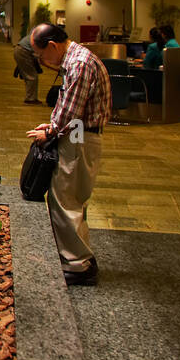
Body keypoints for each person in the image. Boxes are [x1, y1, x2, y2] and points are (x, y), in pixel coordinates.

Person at [26, 23, 112, 287]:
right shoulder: (78, 59)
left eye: (40, 55)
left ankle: (78, 265)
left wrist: (50, 132)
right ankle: (81, 256)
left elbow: (71, 113)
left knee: (66, 200)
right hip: (80, 135)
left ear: (52, 46)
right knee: (73, 198)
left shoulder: (79, 65)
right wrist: (52, 125)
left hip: (79, 139)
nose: (42, 61)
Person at [13, 31, 43, 104]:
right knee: (32, 76)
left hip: (21, 50)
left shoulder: (39, 34)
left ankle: (31, 97)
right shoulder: (42, 38)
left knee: (30, 76)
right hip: (24, 51)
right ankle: (30, 98)